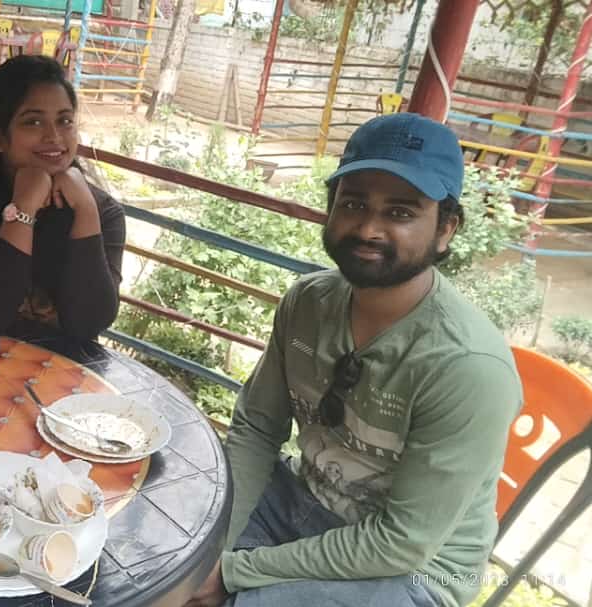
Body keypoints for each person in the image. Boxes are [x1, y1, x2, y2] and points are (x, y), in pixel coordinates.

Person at [185, 113, 523, 607]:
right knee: (167, 553)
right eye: (353, 204)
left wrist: (232, 574)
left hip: (413, 572)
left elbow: (401, 542)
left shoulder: (467, 366)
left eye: (400, 213)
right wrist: (210, 553)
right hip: (302, 502)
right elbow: (257, 430)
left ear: (445, 229)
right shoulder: (308, 302)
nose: (368, 228)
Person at [0, 54, 126, 343]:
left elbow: (90, 323)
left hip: (58, 368)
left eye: (65, 120)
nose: (54, 136)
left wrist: (86, 211)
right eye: (33, 122)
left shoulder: (103, 212)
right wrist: (23, 209)